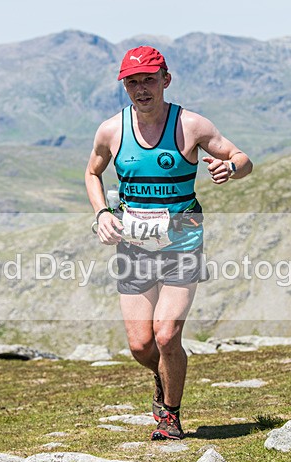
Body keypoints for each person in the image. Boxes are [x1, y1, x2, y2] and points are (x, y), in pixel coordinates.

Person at [84, 45, 252, 440]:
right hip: (135, 245)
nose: (141, 89)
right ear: (124, 86)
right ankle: (162, 377)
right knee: (142, 346)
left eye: (148, 80)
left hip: (182, 243)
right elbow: (92, 173)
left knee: (166, 335)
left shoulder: (191, 125)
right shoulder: (111, 130)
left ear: (165, 80)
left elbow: (243, 158)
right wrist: (102, 214)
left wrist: (229, 168)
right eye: (132, 82)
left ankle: (170, 416)